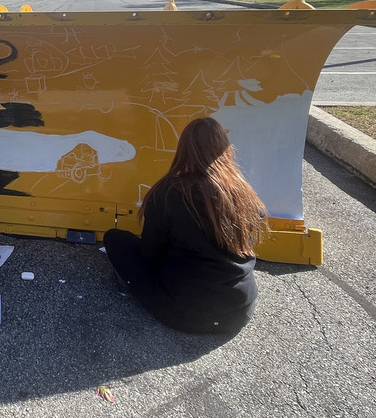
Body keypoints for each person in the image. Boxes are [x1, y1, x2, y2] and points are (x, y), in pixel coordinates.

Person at [104, 116, 267, 334]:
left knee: (115, 238)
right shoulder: (243, 192)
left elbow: (150, 254)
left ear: (184, 149)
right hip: (238, 312)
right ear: (225, 148)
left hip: (185, 313)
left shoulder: (170, 193)